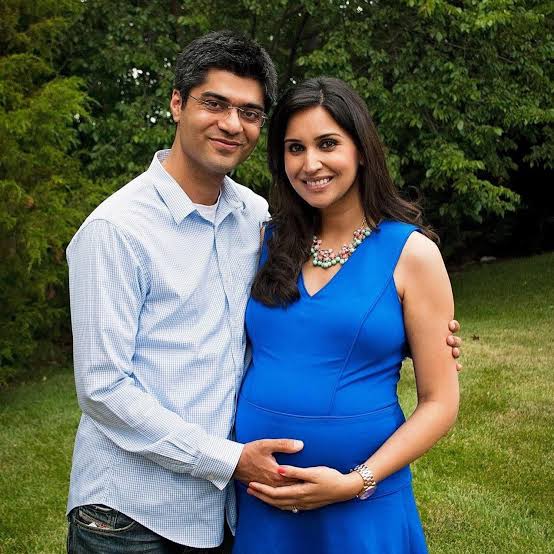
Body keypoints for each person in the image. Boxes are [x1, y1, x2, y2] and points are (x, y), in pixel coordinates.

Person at [65, 31, 461, 553]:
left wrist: (408, 336)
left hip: (237, 509)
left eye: (249, 112)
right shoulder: (117, 230)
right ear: (177, 103)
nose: (232, 124)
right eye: (214, 103)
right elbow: (103, 388)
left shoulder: (254, 219)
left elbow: (355, 339)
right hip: (137, 515)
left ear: (362, 150)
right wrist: (231, 460)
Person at [233, 77, 460, 553]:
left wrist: (356, 482)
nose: (310, 163)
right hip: (263, 500)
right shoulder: (265, 242)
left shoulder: (412, 254)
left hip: (362, 504)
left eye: (328, 144)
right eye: (295, 148)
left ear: (361, 150)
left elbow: (440, 402)